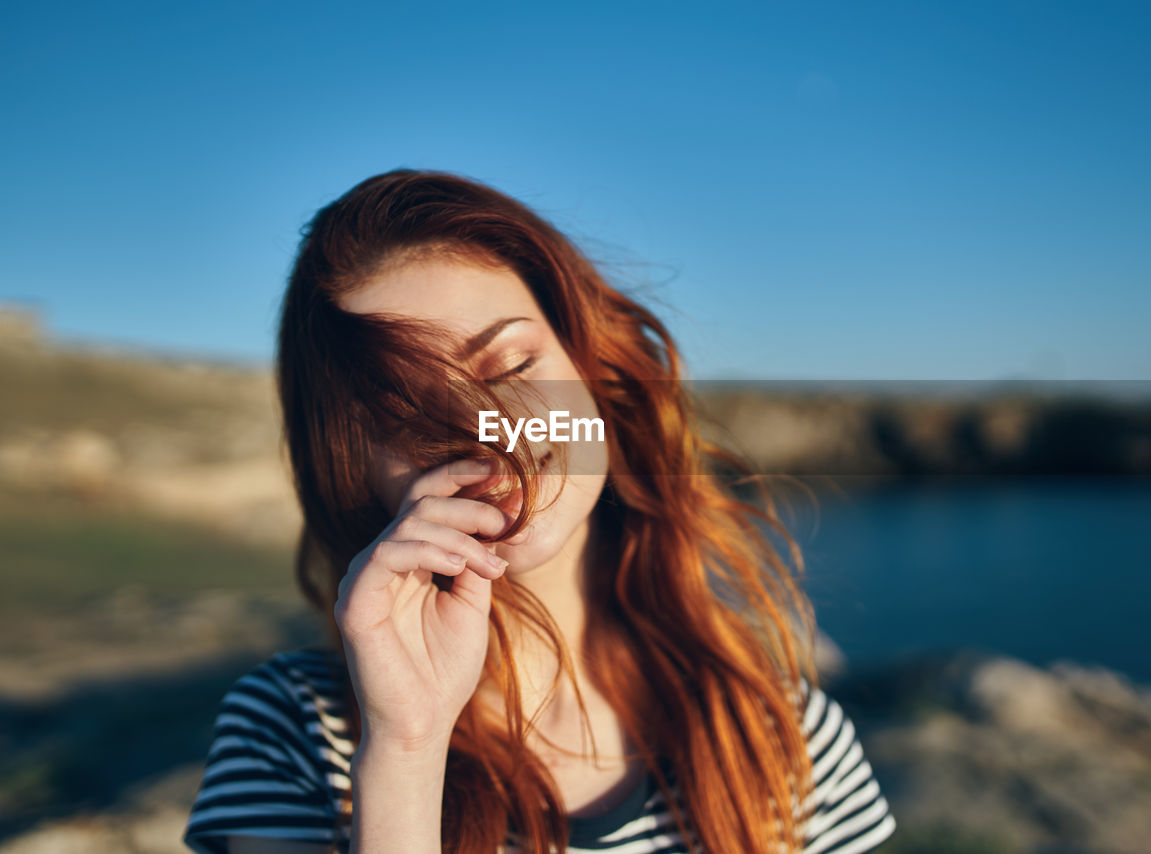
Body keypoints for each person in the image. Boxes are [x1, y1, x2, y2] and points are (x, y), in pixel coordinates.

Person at [182, 169, 897, 854]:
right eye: (406, 410)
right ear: (350, 466)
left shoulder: (781, 733)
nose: (484, 426)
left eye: (513, 367)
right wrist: (406, 750)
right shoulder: (293, 729)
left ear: (599, 377)